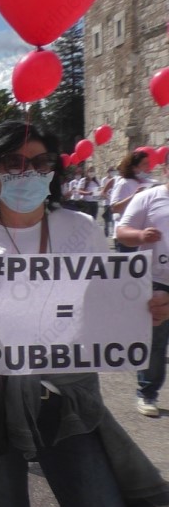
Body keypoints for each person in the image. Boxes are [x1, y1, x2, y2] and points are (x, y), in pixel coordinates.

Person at [0, 121, 169, 506]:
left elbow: (104, 309)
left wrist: (140, 312)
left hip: (67, 396)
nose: (28, 173)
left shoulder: (82, 229)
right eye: (14, 163)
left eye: (41, 162)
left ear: (53, 171)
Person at [116, 160, 169, 418]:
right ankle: (147, 393)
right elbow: (121, 232)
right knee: (156, 343)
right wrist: (140, 236)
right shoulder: (149, 197)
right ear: (166, 170)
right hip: (157, 281)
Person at [110, 150, 152, 252]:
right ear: (134, 168)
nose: (148, 167)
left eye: (148, 163)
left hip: (143, 235)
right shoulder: (124, 183)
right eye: (144, 164)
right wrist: (134, 197)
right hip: (127, 235)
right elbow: (114, 208)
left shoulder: (148, 182)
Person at [100, 166, 118, 238]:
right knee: (107, 219)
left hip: (113, 203)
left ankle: (114, 233)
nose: (113, 173)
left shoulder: (116, 179)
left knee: (114, 218)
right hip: (107, 203)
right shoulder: (104, 180)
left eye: (114, 171)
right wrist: (108, 197)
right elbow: (102, 191)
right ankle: (106, 232)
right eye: (111, 171)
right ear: (108, 172)